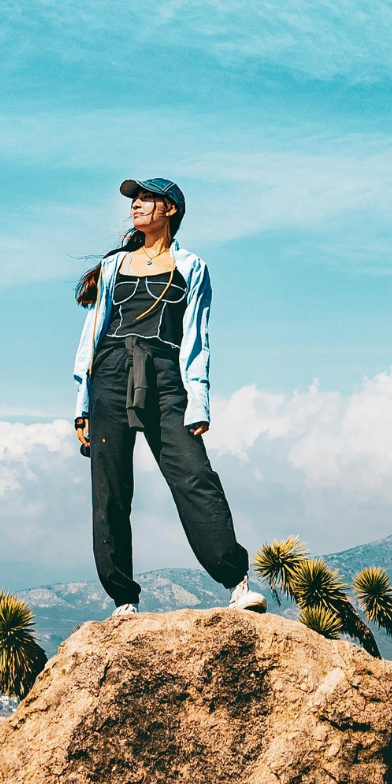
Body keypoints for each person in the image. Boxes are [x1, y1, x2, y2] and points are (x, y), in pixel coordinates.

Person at [73, 176, 267, 616]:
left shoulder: (193, 267)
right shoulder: (112, 268)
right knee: (110, 489)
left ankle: (236, 583)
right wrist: (82, 404)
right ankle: (124, 599)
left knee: (194, 475)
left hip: (164, 375)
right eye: (134, 200)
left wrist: (198, 401)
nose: (137, 206)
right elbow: (91, 335)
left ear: (171, 210)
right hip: (109, 373)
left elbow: (197, 338)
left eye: (147, 199)